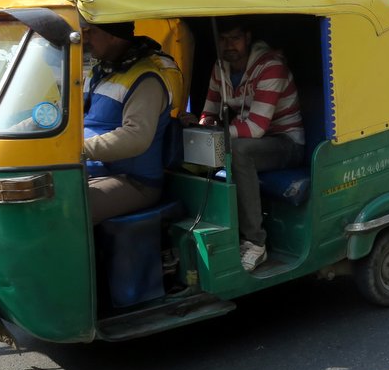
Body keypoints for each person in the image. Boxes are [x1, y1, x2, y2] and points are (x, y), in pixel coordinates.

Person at [192, 20, 304, 272]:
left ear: (248, 38)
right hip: (250, 140)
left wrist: (215, 134)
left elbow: (256, 128)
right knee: (194, 144)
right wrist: (203, 125)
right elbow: (209, 112)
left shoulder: (270, 67)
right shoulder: (220, 68)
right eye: (223, 39)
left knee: (239, 152)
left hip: (286, 143)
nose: (229, 45)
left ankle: (255, 242)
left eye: (235, 38)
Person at [82, 21, 182, 225]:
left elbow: (136, 137)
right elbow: (66, 114)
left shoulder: (146, 79)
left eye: (92, 31)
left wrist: (79, 149)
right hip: (90, 170)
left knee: (68, 207)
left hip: (133, 181)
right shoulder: (100, 72)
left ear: (113, 35)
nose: (86, 38)